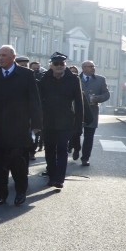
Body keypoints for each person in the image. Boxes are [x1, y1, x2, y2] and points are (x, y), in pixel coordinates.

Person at [0, 45, 42, 206]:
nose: (0, 58)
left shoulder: (26, 75)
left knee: (18, 163)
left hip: (19, 127)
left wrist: (36, 124)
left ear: (13, 57)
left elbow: (34, 100)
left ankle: (21, 192)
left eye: (4, 55)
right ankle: (0, 194)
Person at [38, 52, 84, 190]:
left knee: (62, 149)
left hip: (66, 120)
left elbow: (79, 103)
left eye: (61, 64)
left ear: (65, 65)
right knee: (50, 150)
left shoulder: (74, 79)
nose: (59, 66)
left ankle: (59, 179)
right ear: (51, 65)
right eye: (56, 64)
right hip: (48, 120)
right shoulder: (44, 79)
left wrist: (79, 124)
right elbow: (38, 101)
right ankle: (52, 176)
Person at [79, 60, 110, 167]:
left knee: (89, 136)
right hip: (76, 112)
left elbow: (106, 94)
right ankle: (75, 148)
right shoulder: (75, 79)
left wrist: (98, 98)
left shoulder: (100, 80)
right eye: (90, 66)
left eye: (94, 66)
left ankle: (85, 158)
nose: (93, 68)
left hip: (92, 112)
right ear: (83, 68)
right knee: (74, 134)